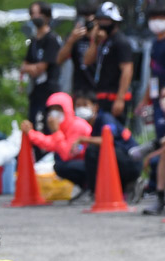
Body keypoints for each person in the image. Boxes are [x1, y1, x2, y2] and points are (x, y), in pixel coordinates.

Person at [47, 90, 139, 193]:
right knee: (63, 165)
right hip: (113, 161)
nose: (81, 109)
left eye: (85, 105)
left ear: (95, 107)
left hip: (129, 161)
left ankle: (97, 190)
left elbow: (109, 139)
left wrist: (82, 139)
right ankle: (94, 189)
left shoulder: (105, 118)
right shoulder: (86, 125)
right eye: (78, 105)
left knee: (93, 151)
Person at [20, 91, 90, 188]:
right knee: (58, 164)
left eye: (58, 109)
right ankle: (86, 187)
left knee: (60, 166)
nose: (54, 113)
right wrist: (31, 133)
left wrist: (56, 132)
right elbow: (49, 143)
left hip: (90, 163)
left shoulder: (78, 126)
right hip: (80, 163)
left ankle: (88, 186)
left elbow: (66, 154)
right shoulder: (62, 129)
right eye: (51, 110)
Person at [136, 1, 165, 213]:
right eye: (153, 17)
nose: (156, 22)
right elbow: (153, 77)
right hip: (158, 101)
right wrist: (146, 99)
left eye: (160, 17)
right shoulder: (155, 44)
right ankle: (160, 196)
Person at [85, 2, 133, 123]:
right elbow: (86, 61)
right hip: (102, 96)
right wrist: (95, 41)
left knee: (112, 134)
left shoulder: (121, 42)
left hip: (114, 97)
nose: (102, 23)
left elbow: (127, 70)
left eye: (105, 20)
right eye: (99, 20)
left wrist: (120, 99)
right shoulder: (103, 41)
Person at [21, 3, 62, 135]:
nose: (35, 17)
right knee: (32, 122)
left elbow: (40, 68)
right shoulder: (33, 41)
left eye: (38, 14)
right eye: (32, 14)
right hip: (35, 90)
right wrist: (28, 68)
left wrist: (30, 68)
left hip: (49, 91)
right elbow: (24, 65)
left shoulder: (52, 39)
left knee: (46, 125)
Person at [59, 2, 98, 95]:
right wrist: (71, 40)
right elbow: (59, 59)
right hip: (78, 89)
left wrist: (94, 37)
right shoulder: (76, 38)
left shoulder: (101, 37)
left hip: (96, 89)